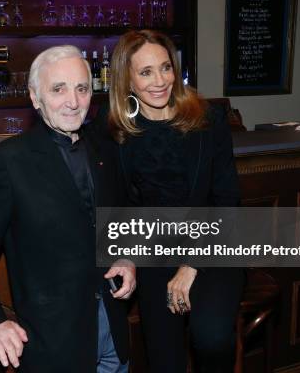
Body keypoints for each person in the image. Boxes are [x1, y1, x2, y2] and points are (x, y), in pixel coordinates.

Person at [0, 45, 136, 372]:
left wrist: (126, 257)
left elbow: (117, 218)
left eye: (81, 88)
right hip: (54, 344)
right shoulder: (8, 162)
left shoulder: (105, 148)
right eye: (58, 89)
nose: (73, 100)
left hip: (113, 332)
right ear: (36, 98)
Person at [106, 30, 244, 373]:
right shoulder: (116, 129)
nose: (160, 81)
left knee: (210, 336)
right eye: (146, 72)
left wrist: (191, 263)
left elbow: (226, 200)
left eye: (165, 68)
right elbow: (120, 203)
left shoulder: (208, 119)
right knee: (163, 356)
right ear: (127, 80)